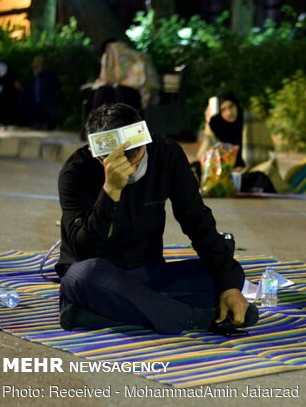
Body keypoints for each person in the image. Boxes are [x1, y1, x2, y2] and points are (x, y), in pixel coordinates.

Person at [56, 103, 258, 334]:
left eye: (136, 159)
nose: (130, 171)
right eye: (119, 163)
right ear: (98, 155)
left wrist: (229, 286)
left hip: (149, 274)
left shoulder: (166, 154)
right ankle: (192, 319)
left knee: (227, 274)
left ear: (145, 141)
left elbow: (196, 219)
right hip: (101, 278)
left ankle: (97, 317)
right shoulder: (76, 171)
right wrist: (110, 192)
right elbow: (84, 249)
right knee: (84, 276)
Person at [196, 91, 289, 193]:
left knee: (262, 178)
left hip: (247, 173)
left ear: (236, 105)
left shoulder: (252, 122)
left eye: (231, 106)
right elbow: (205, 156)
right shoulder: (215, 126)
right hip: (220, 174)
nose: (229, 112)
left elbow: (264, 159)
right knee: (195, 168)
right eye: (223, 110)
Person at [89, 41, 160, 113]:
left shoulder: (108, 56)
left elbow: (105, 79)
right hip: (135, 100)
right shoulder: (141, 56)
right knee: (107, 90)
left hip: (130, 102)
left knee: (108, 91)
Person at [20, 56, 60, 130]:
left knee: (47, 117)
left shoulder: (47, 74)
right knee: (38, 118)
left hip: (45, 101)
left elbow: (54, 86)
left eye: (36, 63)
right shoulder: (34, 76)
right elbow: (29, 88)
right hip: (36, 101)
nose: (34, 65)